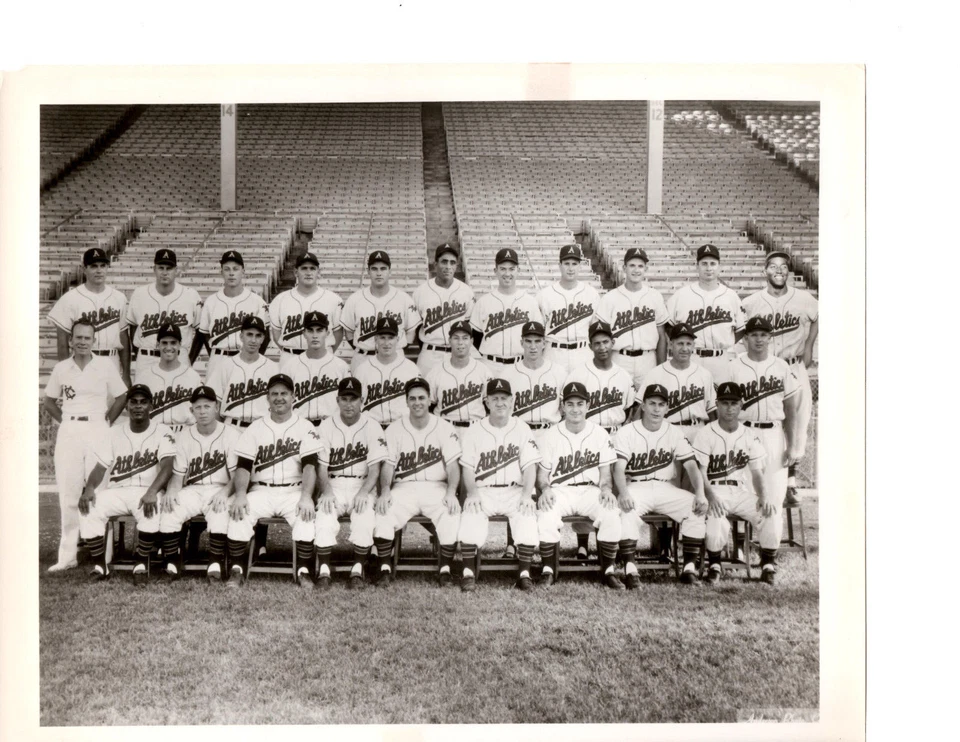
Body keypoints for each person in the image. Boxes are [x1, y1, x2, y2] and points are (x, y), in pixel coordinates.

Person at [42, 319, 128, 572]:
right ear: (71, 340)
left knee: (99, 492)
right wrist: (66, 421)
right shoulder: (62, 368)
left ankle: (104, 554)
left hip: (97, 428)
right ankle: (68, 556)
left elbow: (122, 395)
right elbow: (48, 401)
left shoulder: (105, 365)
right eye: (77, 337)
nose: (82, 342)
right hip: (70, 430)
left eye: (87, 338)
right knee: (68, 493)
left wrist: (107, 421)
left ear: (94, 340)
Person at [224, 374, 323, 587]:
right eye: (274, 394)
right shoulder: (255, 428)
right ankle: (237, 569)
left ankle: (304, 570)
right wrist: (240, 494)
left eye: (284, 393)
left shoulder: (305, 426)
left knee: (305, 515)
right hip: (262, 490)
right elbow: (243, 466)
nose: (279, 398)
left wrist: (306, 496)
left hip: (294, 490)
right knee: (240, 511)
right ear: (267, 398)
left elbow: (310, 466)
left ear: (293, 397)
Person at [715, 316, 801, 550]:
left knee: (774, 494)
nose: (759, 339)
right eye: (754, 335)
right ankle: (739, 549)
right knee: (741, 491)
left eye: (764, 335)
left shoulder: (781, 366)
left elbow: (791, 410)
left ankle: (768, 554)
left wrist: (792, 445)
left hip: (773, 433)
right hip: (743, 432)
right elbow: (722, 406)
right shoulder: (733, 367)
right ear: (745, 339)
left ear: (770, 338)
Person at [77, 384, 177, 585]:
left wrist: (152, 492)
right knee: (88, 507)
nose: (138, 406)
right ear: (127, 406)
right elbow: (100, 467)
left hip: (147, 490)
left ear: (151, 406)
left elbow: (168, 467)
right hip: (118, 490)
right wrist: (89, 488)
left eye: (143, 402)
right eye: (133, 402)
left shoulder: (163, 431)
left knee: (152, 509)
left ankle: (141, 564)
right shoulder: (114, 432)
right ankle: (100, 565)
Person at [611, 383, 708, 588]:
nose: (656, 409)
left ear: (667, 408)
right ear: (643, 406)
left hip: (666, 488)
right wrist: (624, 493)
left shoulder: (674, 432)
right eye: (652, 403)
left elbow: (691, 466)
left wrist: (700, 493)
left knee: (695, 506)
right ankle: (630, 569)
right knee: (626, 509)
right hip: (637, 487)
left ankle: (689, 568)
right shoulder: (627, 432)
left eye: (661, 405)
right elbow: (618, 468)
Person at [742, 251, 819, 506]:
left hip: (794, 365)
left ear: (789, 271)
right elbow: (740, 331)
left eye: (783, 266)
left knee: (798, 424)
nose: (779, 270)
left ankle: (790, 483)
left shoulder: (804, 299)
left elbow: (819, 317)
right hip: (766, 368)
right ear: (765, 271)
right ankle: (759, 481)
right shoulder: (752, 302)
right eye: (773, 266)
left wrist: (809, 345)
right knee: (768, 421)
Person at [372, 378, 462, 587]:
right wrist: (385, 491)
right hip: (404, 487)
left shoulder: (444, 427)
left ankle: (445, 569)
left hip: (436, 486)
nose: (417, 402)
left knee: (450, 511)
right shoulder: (394, 429)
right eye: (412, 399)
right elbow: (388, 466)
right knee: (384, 510)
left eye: (421, 398)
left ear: (430, 400)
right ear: (406, 401)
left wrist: (451, 492)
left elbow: (453, 466)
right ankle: (384, 568)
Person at [535, 381, 624, 590]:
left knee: (611, 512)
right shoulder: (550, 435)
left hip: (590, 491)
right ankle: (548, 570)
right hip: (560, 491)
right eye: (570, 404)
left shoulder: (600, 433)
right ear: (563, 407)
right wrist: (545, 489)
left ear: (588, 405)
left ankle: (608, 570)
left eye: (580, 404)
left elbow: (605, 475)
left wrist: (606, 490)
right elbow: (542, 476)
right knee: (546, 513)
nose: (575, 409)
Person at [562, 319, 637, 559]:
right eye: (597, 343)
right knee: (585, 485)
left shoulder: (623, 375)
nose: (602, 347)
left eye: (606, 342)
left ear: (613, 343)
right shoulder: (579, 373)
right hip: (588, 435)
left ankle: (612, 546)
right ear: (590, 345)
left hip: (615, 433)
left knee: (613, 488)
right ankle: (582, 544)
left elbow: (630, 408)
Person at [457, 379, 541, 591]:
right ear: (486, 402)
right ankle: (468, 573)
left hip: (514, 490)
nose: (500, 403)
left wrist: (526, 495)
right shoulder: (475, 430)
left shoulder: (522, 428)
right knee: (471, 515)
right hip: (484, 490)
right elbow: (467, 467)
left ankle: (524, 573)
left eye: (504, 398)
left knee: (527, 515)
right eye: (495, 399)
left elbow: (530, 466)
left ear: (512, 401)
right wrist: (472, 494)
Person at [692, 382, 777, 585]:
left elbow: (757, 472)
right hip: (715, 488)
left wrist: (764, 496)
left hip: (740, 490)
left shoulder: (749, 434)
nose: (729, 408)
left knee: (770, 512)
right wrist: (711, 497)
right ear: (717, 405)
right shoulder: (705, 433)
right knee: (716, 518)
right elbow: (700, 472)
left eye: (733, 403)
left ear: (741, 405)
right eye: (724, 403)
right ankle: (715, 565)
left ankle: (768, 565)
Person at [157, 386, 242, 583]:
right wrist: (172, 491)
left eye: (207, 406)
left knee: (220, 511)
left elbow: (237, 475)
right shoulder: (184, 436)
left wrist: (225, 492)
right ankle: (172, 562)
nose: (202, 411)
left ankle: (215, 563)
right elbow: (178, 475)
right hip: (193, 489)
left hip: (221, 487)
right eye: (198, 407)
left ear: (216, 407)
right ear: (191, 410)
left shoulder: (232, 434)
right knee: (170, 507)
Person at [313, 377, 389, 589]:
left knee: (364, 516)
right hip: (334, 483)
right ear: (337, 400)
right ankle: (324, 570)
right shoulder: (325, 426)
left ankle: (357, 569)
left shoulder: (372, 426)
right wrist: (326, 491)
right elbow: (321, 467)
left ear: (362, 401)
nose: (349, 404)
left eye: (353, 399)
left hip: (361, 484)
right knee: (324, 515)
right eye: (344, 399)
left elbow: (375, 469)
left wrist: (364, 492)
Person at [500, 320, 566, 558]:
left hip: (549, 432)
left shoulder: (559, 372)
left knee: (548, 486)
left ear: (545, 343)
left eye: (538, 341)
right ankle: (514, 544)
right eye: (528, 341)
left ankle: (547, 546)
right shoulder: (509, 374)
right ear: (521, 343)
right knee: (519, 486)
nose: (533, 346)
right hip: (520, 433)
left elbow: (565, 408)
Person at [47, 247, 130, 384]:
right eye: (93, 266)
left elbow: (124, 339)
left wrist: (126, 374)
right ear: (84, 269)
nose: (99, 270)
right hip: (82, 361)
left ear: (107, 268)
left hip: (112, 360)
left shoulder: (119, 298)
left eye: (103, 266)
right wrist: (65, 374)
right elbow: (62, 343)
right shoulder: (69, 298)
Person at [665, 244, 745, 381]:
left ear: (719, 266)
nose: (709, 268)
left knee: (721, 394)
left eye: (713, 263)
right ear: (697, 266)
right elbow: (668, 326)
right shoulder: (681, 295)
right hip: (692, 357)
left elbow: (741, 329)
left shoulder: (731, 296)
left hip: (721, 359)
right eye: (704, 264)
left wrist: (726, 342)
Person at [123, 248, 202, 383]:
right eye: (161, 268)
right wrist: (141, 353)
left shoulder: (191, 295)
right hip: (147, 358)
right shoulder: (139, 294)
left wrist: (188, 358)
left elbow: (200, 332)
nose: (165, 272)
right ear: (154, 269)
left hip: (179, 357)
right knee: (144, 396)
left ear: (176, 270)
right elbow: (133, 327)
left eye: (169, 268)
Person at [191, 250, 270, 383]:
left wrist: (254, 358)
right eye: (227, 269)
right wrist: (215, 353)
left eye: (235, 269)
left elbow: (266, 337)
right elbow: (203, 335)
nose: (231, 273)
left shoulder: (257, 302)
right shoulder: (211, 301)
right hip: (218, 359)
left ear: (243, 271)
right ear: (221, 272)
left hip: (246, 357)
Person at [595, 247, 668, 390]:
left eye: (640, 266)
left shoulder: (655, 296)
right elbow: (602, 337)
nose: (636, 270)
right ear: (624, 268)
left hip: (648, 359)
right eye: (632, 265)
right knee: (617, 399)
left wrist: (661, 368)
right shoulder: (610, 298)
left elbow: (661, 336)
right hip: (619, 358)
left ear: (646, 269)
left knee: (649, 399)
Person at [340, 250, 421, 372]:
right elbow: (349, 333)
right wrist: (363, 348)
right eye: (374, 269)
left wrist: (396, 350)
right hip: (363, 358)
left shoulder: (404, 299)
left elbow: (411, 333)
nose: (379, 273)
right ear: (368, 271)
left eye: (383, 269)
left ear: (389, 271)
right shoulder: (354, 299)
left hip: (395, 359)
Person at [268, 251, 344, 375]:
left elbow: (338, 334)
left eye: (312, 268)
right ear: (295, 272)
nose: (308, 272)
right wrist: (288, 350)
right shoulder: (280, 300)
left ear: (318, 272)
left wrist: (324, 352)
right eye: (304, 268)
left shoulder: (333, 300)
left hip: (322, 358)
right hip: (290, 357)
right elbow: (276, 334)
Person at [470, 248, 543, 376]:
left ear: (518, 270)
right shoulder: (483, 302)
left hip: (520, 364)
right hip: (490, 365)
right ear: (495, 271)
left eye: (511, 269)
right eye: (503, 269)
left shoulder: (530, 302)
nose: (507, 273)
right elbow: (475, 336)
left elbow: (538, 335)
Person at [642, 323, 717, 444]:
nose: (684, 349)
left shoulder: (705, 374)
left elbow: (712, 411)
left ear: (693, 346)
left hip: (699, 430)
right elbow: (643, 410)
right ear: (671, 345)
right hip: (668, 431)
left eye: (688, 344)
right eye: (680, 343)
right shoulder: (655, 374)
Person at [537, 243, 599, 376]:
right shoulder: (544, 295)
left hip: (583, 351)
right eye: (566, 263)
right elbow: (538, 331)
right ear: (560, 265)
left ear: (580, 266)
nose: (570, 268)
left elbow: (596, 328)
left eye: (574, 264)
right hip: (554, 352)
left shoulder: (591, 293)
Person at [413, 243, 475, 375]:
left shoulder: (466, 291)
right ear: (435, 264)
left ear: (456, 266)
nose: (448, 266)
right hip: (429, 354)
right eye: (444, 262)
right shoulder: (420, 292)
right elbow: (416, 327)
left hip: (457, 354)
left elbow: (469, 326)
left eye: (452, 263)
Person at [206, 315, 278, 428]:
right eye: (249, 334)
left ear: (263, 339)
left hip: (262, 427)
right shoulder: (225, 366)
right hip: (232, 427)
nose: (253, 340)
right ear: (241, 336)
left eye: (258, 336)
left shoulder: (273, 368)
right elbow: (215, 405)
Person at [354, 316, 421, 430]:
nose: (386, 343)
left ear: (397, 339)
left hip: (402, 428)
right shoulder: (362, 370)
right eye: (382, 338)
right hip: (371, 428)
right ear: (375, 339)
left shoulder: (411, 369)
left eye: (390, 338)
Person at [425, 320, 491, 430]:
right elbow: (428, 406)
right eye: (456, 338)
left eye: (465, 338)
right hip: (445, 428)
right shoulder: (435, 372)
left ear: (471, 341)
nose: (460, 342)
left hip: (475, 428)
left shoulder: (484, 371)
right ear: (449, 341)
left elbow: (490, 406)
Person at [137, 323, 202, 432]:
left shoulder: (193, 376)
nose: (168, 347)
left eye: (173, 343)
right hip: (154, 432)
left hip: (185, 432)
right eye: (164, 343)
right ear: (157, 345)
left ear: (180, 345)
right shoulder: (144, 377)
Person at [288, 311, 350, 426]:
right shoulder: (290, 366)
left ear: (327, 332)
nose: (315, 335)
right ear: (304, 333)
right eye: (310, 330)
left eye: (319, 330)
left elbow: (348, 403)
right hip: (299, 426)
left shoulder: (341, 366)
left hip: (331, 426)